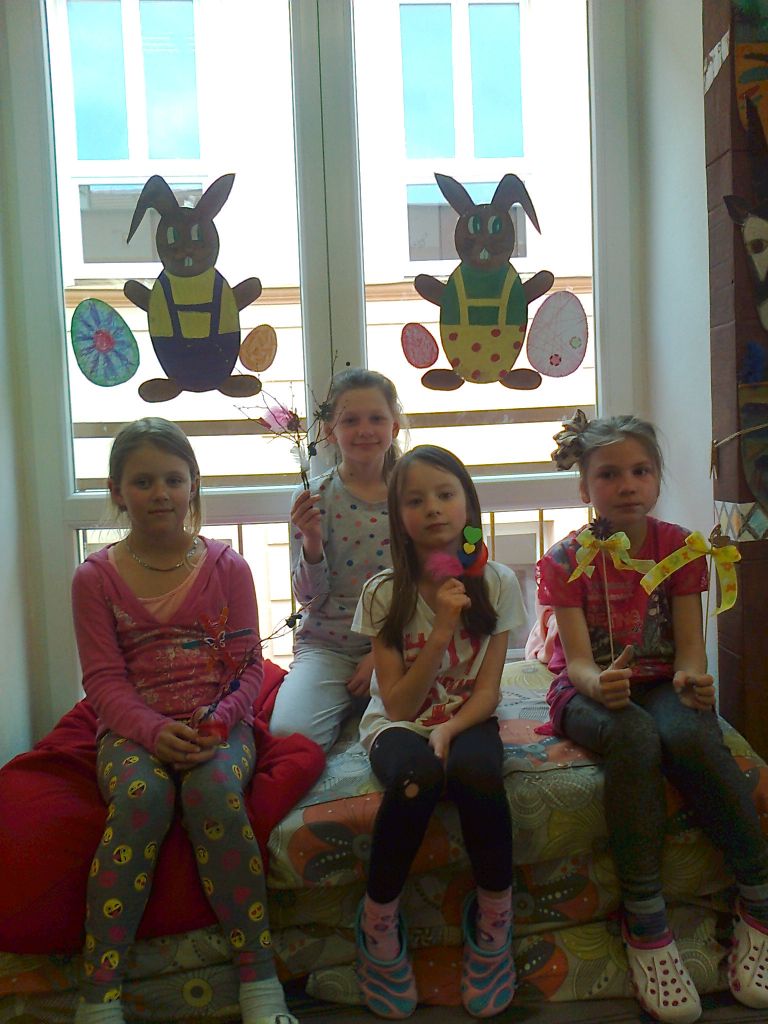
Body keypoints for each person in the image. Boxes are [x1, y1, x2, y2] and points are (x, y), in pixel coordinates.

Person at [538, 411, 768, 1024]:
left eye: (640, 471)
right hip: (587, 690)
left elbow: (689, 647)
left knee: (687, 733)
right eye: (609, 474)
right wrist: (599, 684)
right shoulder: (564, 559)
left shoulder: (680, 548)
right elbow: (576, 662)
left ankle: (759, 899)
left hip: (663, 679)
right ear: (585, 487)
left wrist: (691, 677)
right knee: (636, 736)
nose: (627, 485)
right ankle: (644, 921)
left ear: (658, 479)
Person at [71, 417, 298, 1024]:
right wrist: (152, 731)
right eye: (142, 482)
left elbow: (250, 668)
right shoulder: (94, 578)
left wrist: (219, 724)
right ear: (118, 491)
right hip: (132, 731)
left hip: (219, 725)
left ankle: (259, 980)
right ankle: (99, 993)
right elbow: (102, 682)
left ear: (193, 485)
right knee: (142, 798)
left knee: (214, 791)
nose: (160, 494)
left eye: (173, 480)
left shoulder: (228, 567)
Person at [352, 445, 526, 1019]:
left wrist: (451, 727)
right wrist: (443, 628)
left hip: (467, 716)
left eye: (445, 494)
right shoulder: (384, 592)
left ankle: (494, 920)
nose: (432, 508)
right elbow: (399, 701)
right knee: (416, 779)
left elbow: (489, 692)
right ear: (397, 517)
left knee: (478, 773)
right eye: (415, 500)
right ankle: (378, 923)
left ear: (467, 504)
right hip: (398, 723)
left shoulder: (497, 582)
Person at [270, 368, 402, 752]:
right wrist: (312, 540)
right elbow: (308, 598)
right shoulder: (315, 497)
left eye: (376, 418)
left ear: (394, 427)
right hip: (328, 647)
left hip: (401, 641)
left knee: (419, 725)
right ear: (330, 431)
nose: (365, 430)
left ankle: (366, 708)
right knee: (288, 737)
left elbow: (428, 583)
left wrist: (382, 653)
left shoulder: (411, 493)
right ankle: (349, 705)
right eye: (350, 420)